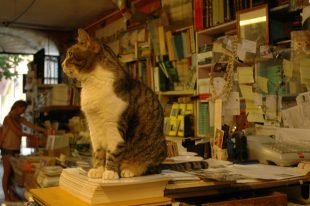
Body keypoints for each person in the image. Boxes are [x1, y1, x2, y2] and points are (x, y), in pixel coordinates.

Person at [1, 100, 46, 201]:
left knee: (13, 174)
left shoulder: (19, 119)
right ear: (16, 107)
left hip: (16, 149)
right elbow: (17, 132)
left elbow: (31, 125)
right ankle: (6, 195)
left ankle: (11, 194)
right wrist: (31, 135)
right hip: (7, 149)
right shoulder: (7, 119)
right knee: (7, 173)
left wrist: (44, 130)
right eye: (22, 109)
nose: (23, 112)